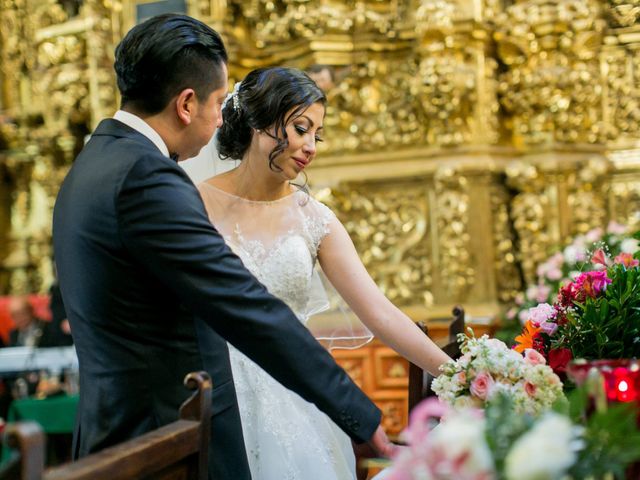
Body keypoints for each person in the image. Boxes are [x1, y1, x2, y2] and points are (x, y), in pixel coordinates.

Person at [52, 14, 394, 480]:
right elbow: (244, 303)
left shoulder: (92, 163)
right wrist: (358, 414)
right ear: (187, 104)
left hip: (115, 430)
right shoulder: (145, 177)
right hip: (162, 439)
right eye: (217, 102)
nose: (220, 118)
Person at [197, 66, 451, 479]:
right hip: (217, 392)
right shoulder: (194, 202)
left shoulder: (314, 218)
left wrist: (458, 372)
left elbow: (379, 311)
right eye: (301, 128)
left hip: (293, 392)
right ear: (259, 121)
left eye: (317, 134)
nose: (311, 146)